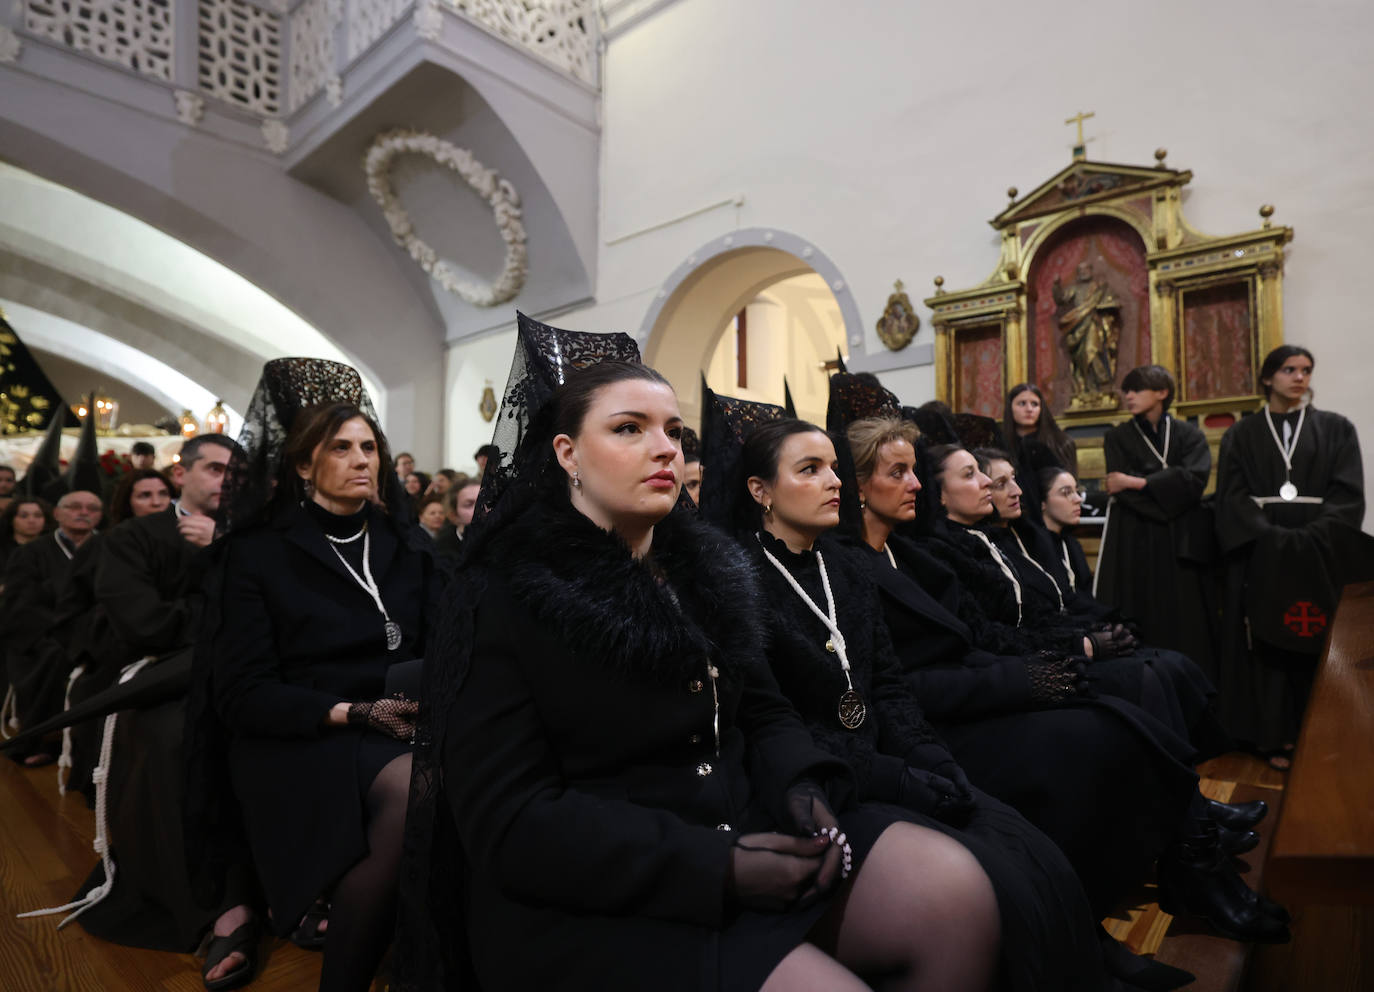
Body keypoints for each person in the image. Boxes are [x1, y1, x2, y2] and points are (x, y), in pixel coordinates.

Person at [398, 317, 1002, 992]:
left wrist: (801, 785)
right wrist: (719, 866)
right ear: (567, 453)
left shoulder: (704, 571)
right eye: (629, 428)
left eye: (673, 432)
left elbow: (766, 712)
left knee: (957, 895)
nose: (664, 450)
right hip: (599, 894)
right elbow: (512, 822)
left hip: (747, 825)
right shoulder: (504, 592)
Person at [731, 415, 1114, 991]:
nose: (835, 482)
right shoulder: (741, 581)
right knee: (985, 878)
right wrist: (894, 774)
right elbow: (772, 721)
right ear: (760, 491)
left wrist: (929, 755)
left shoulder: (844, 566)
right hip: (830, 783)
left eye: (835, 468)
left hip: (885, 754)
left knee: (1021, 841)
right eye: (810, 470)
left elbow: (887, 684)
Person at [911, 442, 1287, 944]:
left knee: (1160, 667)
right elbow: (984, 635)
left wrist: (1094, 631)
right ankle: (1191, 842)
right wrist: (1078, 644)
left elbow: (1042, 609)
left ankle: (1192, 832)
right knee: (1136, 685)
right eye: (974, 476)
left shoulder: (987, 539)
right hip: (1001, 678)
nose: (991, 486)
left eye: (990, 476)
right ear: (940, 493)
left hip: (1018, 660)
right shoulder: (941, 547)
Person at [209, 399, 444, 992]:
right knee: (419, 787)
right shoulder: (259, 553)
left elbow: (451, 641)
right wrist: (353, 713)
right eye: (341, 448)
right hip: (306, 732)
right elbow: (242, 693)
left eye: (368, 447)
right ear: (304, 466)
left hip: (404, 721)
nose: (361, 460)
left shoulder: (406, 545)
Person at [1215, 345, 1374, 765]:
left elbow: (1348, 493)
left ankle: (1323, 732)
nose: (1299, 377)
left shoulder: (1337, 428)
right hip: (1262, 553)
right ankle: (1273, 736)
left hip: (1320, 553)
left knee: (1319, 641)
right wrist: (1269, 536)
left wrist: (1312, 536)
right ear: (1268, 378)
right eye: (1289, 370)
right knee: (1265, 643)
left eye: (1306, 370)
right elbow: (1230, 495)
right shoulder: (1241, 433)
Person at [1095, 365, 1218, 671]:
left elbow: (1195, 481)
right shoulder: (1118, 436)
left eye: (1136, 390)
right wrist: (1169, 498)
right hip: (1136, 533)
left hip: (1182, 537)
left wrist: (1141, 482)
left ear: (1162, 393)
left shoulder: (1189, 434)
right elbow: (1117, 488)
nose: (1128, 396)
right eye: (1126, 391)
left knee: (1185, 613)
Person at [0, 489, 102, 765]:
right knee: (54, 656)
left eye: (92, 508)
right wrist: (62, 629)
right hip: (44, 632)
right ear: (56, 514)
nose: (84, 512)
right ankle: (40, 738)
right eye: (75, 507)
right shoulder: (32, 552)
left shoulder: (111, 547)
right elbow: (20, 604)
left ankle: (99, 743)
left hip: (98, 629)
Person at [1002, 383, 1077, 489]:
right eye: (1022, 403)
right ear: (1010, 408)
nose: (1029, 409)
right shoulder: (1001, 443)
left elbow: (1068, 485)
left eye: (1035, 404)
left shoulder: (1061, 442)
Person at [1038, 466, 1094, 593]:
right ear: (1042, 502)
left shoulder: (1072, 545)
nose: (1078, 499)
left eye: (1077, 491)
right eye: (1066, 493)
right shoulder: (1034, 548)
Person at [0, 495, 53, 576]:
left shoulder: (53, 547)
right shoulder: (3, 548)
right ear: (11, 520)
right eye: (23, 516)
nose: (31, 521)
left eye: (38, 515)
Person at [108, 468, 173, 526]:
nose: (156, 502)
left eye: (163, 494)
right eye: (145, 496)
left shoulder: (180, 534)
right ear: (127, 502)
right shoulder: (114, 538)